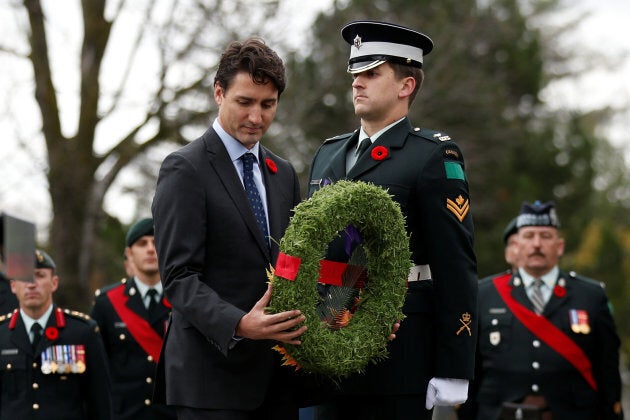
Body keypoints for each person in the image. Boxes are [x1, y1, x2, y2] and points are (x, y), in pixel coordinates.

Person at [307, 20, 478, 420]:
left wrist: (454, 368)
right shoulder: (328, 154)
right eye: (355, 74)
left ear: (406, 86)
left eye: (371, 74)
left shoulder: (433, 155)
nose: (357, 84)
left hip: (399, 352)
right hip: (329, 346)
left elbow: (456, 265)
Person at [151, 37, 305, 419]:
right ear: (218, 93)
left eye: (268, 105)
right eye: (245, 102)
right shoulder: (184, 169)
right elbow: (178, 277)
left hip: (277, 382)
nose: (257, 117)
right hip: (210, 383)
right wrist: (239, 324)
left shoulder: (283, 173)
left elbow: (295, 263)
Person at [466, 201, 624, 419]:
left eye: (546, 236)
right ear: (517, 245)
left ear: (559, 246)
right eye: (529, 236)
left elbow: (607, 369)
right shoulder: (484, 294)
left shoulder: (591, 295)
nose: (537, 244)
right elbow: (469, 366)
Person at [0, 249, 112, 419]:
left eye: (39, 275)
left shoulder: (82, 332)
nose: (31, 284)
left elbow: (100, 401)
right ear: (13, 286)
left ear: (54, 283)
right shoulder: (2, 333)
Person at [90, 217, 176, 419]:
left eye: (156, 242)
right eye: (142, 243)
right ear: (129, 253)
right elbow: (97, 369)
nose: (150, 249)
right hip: (125, 413)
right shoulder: (106, 303)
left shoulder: (182, 299)